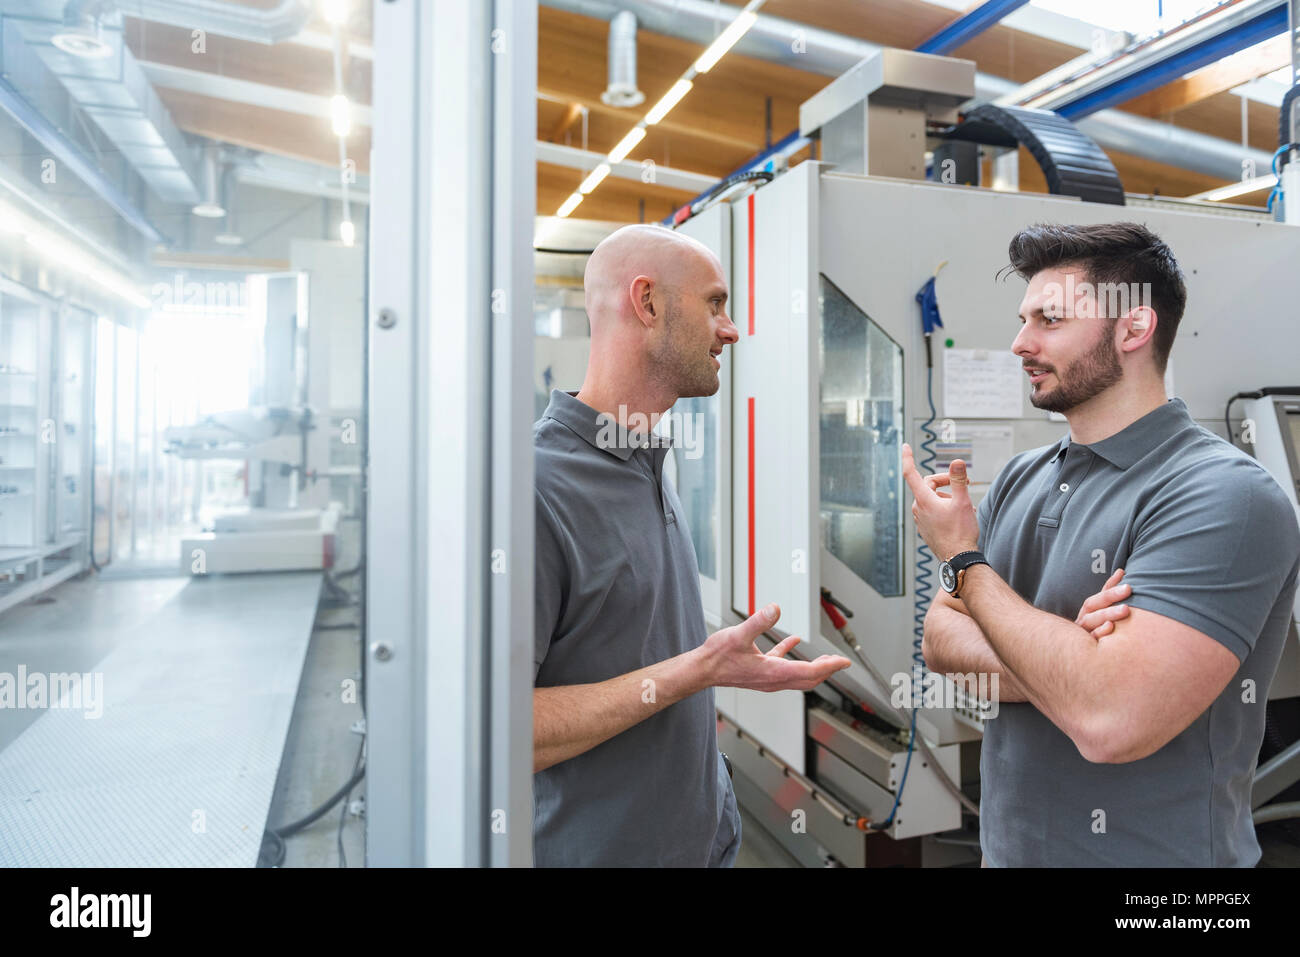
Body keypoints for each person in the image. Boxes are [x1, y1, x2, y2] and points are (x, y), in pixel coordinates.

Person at [904, 221, 1300, 866]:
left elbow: (1112, 722)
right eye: (1024, 319)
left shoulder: (1223, 494)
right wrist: (1074, 665)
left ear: (1133, 329)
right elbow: (940, 644)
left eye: (1049, 320)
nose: (1019, 344)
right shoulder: (1021, 476)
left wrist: (963, 561)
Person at [533, 223, 850, 867]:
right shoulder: (536, 490)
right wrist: (699, 670)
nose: (730, 329)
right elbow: (499, 731)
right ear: (646, 303)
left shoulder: (648, 461)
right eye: (714, 303)